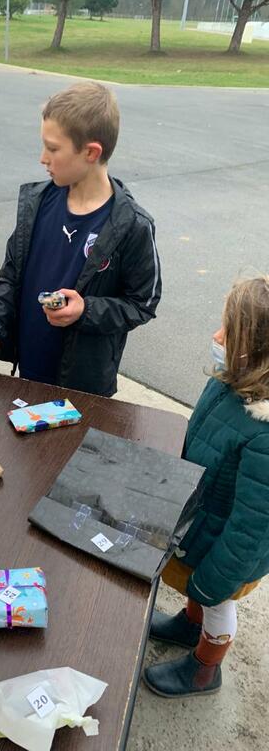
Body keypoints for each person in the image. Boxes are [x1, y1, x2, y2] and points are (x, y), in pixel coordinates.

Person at [0, 82, 161, 397]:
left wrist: (86, 310)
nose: (43, 158)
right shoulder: (36, 205)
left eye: (53, 148)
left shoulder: (131, 225)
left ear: (91, 152)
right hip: (30, 373)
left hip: (83, 389)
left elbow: (143, 303)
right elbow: (11, 277)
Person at [144, 275, 269, 697]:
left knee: (216, 603)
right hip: (202, 525)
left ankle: (205, 667)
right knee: (198, 591)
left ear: (259, 350)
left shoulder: (264, 435)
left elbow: (252, 530)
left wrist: (217, 580)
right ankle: (189, 623)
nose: (217, 337)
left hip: (227, 551)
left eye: (229, 332)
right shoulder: (228, 382)